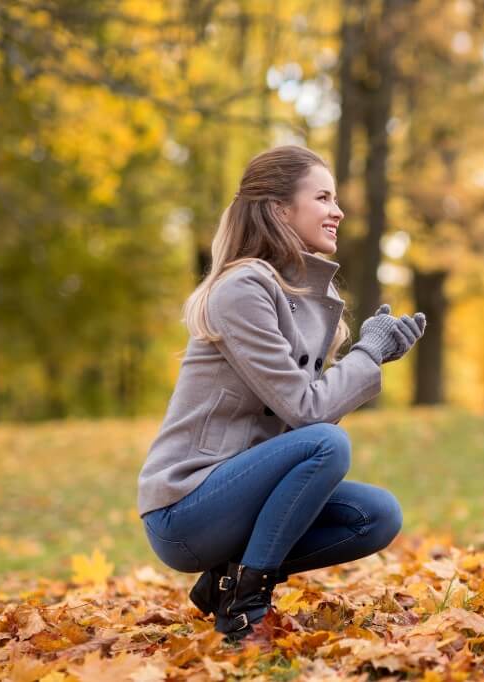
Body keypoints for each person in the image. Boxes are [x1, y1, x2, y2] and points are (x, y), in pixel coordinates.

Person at [137, 145, 425, 639]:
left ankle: (225, 581)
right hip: (184, 508)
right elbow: (309, 417)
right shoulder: (243, 289)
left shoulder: (305, 294)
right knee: (328, 444)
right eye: (323, 197)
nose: (337, 211)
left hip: (239, 496)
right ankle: (245, 603)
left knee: (377, 515)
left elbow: (300, 426)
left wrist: (373, 355)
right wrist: (365, 357)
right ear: (279, 209)